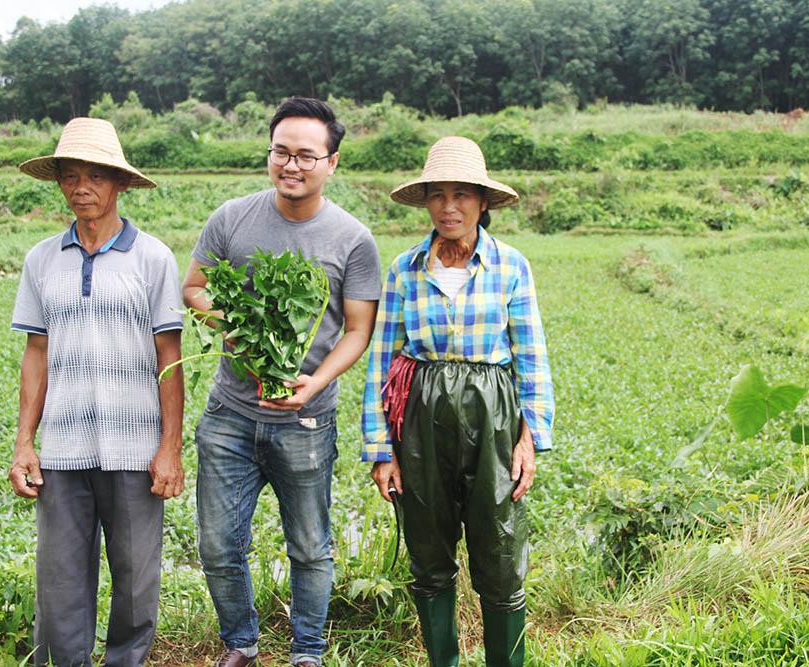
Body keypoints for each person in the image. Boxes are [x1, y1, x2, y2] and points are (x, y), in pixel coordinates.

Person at [183, 97, 381, 667]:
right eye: (281, 152)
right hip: (230, 414)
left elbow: (358, 329)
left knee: (310, 547)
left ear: (332, 163)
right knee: (219, 546)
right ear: (269, 154)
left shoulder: (352, 239)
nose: (292, 165)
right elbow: (194, 287)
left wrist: (314, 382)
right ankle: (241, 644)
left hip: (307, 420)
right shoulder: (231, 218)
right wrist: (235, 329)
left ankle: (308, 653)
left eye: (306, 156)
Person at [361, 136, 555, 667]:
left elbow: (531, 357)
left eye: (462, 194)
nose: (449, 207)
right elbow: (382, 359)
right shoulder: (405, 268)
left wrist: (529, 439)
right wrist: (382, 448)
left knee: (499, 548)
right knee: (428, 551)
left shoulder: (511, 266)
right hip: (421, 418)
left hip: (492, 414)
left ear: (483, 202)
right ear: (425, 201)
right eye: (438, 194)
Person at [8, 117, 185, 666]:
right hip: (62, 449)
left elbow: (170, 358)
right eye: (70, 176)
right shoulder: (41, 259)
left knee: (135, 580)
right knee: (58, 578)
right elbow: (36, 352)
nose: (81, 187)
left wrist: (170, 448)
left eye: (95, 176)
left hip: (135, 449)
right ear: (58, 182)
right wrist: (24, 443)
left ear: (119, 184)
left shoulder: (153, 258)